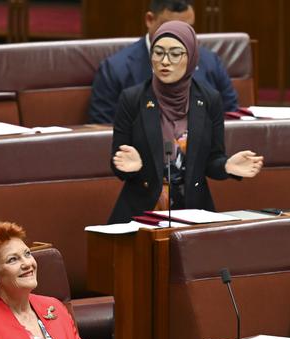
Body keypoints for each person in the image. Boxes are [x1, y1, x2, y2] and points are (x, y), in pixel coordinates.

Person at [108, 20, 263, 224]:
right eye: (159, 52)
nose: (165, 61)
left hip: (193, 211)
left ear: (191, 57)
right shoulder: (133, 99)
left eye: (175, 54)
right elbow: (118, 163)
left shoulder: (209, 100)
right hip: (141, 212)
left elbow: (211, 162)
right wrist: (133, 167)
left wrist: (227, 166)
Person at [88, 0, 238, 124]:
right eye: (169, 28)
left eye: (187, 28)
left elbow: (231, 115)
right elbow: (103, 128)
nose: (178, 36)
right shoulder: (115, 69)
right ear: (150, 20)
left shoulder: (210, 62)